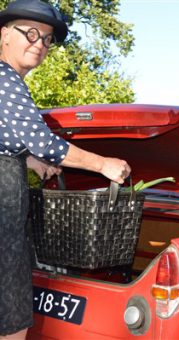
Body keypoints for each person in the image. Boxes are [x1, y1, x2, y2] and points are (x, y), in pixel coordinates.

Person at [0, 0, 131, 338]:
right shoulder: (7, 81)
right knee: (11, 324)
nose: (39, 43)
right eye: (30, 32)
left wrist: (26, 160)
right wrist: (104, 164)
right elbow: (46, 143)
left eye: (46, 38)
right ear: (3, 34)